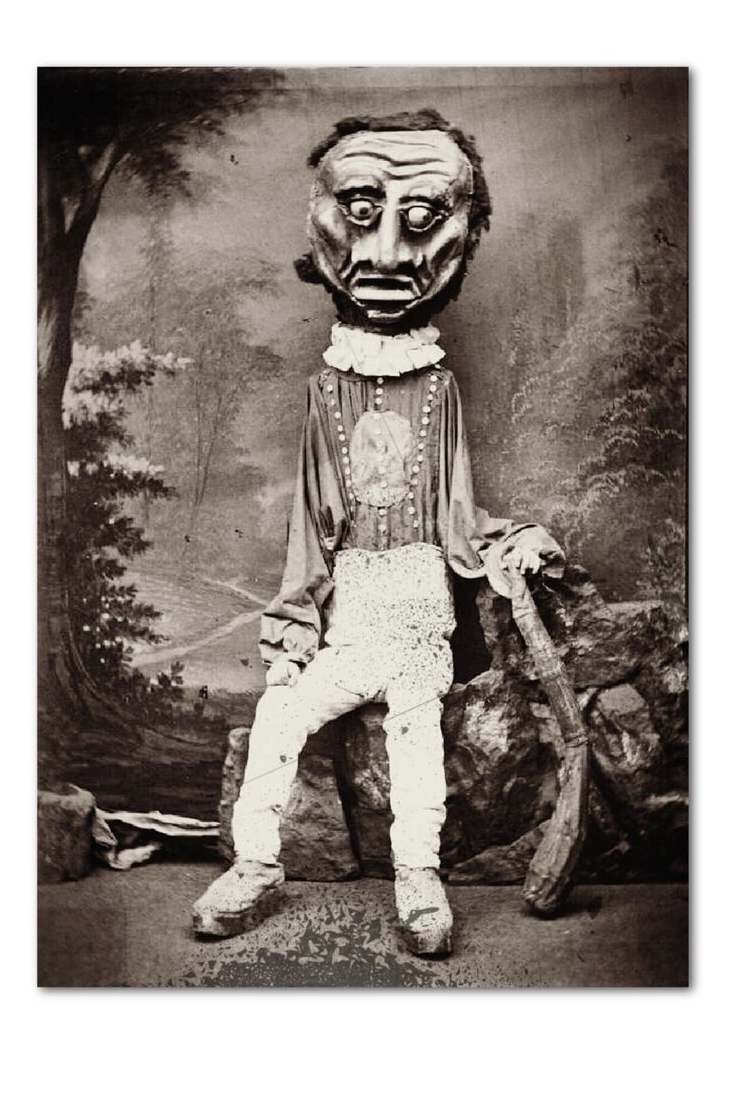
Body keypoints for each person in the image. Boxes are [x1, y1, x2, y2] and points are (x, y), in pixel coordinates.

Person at [191, 110, 564, 956]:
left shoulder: (440, 389)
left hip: (421, 620)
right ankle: (254, 864)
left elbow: (457, 514)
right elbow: (311, 522)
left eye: (421, 218)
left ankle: (418, 880)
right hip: (352, 621)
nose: (389, 250)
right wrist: (294, 627)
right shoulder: (327, 390)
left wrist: (515, 541)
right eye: (362, 211)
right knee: (281, 715)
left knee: (416, 736)